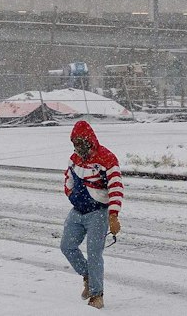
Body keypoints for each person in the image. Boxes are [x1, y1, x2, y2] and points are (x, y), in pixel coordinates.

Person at [59, 119, 123, 309]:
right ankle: (87, 275)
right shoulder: (74, 159)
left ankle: (97, 295)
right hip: (77, 211)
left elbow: (116, 187)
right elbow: (67, 179)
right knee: (67, 246)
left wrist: (113, 215)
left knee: (94, 253)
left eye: (80, 143)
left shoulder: (107, 158)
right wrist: (71, 195)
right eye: (74, 143)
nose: (77, 147)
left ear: (89, 140)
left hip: (98, 213)